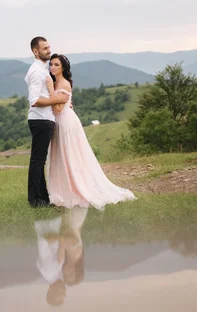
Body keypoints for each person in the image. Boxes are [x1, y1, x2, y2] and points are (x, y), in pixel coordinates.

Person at [46, 53, 137, 210]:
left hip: (65, 121)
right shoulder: (56, 83)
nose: (52, 67)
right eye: (51, 64)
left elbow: (58, 108)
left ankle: (73, 188)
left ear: (63, 68)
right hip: (60, 121)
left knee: (69, 155)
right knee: (59, 155)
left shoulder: (64, 84)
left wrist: (49, 91)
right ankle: (61, 188)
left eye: (56, 65)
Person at [25, 37, 70, 208]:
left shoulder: (42, 69)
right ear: (35, 51)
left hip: (44, 119)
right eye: (44, 48)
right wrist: (57, 99)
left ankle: (42, 199)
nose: (48, 50)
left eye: (48, 47)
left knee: (40, 161)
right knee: (37, 161)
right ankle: (36, 201)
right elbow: (34, 100)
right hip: (40, 119)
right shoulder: (37, 71)